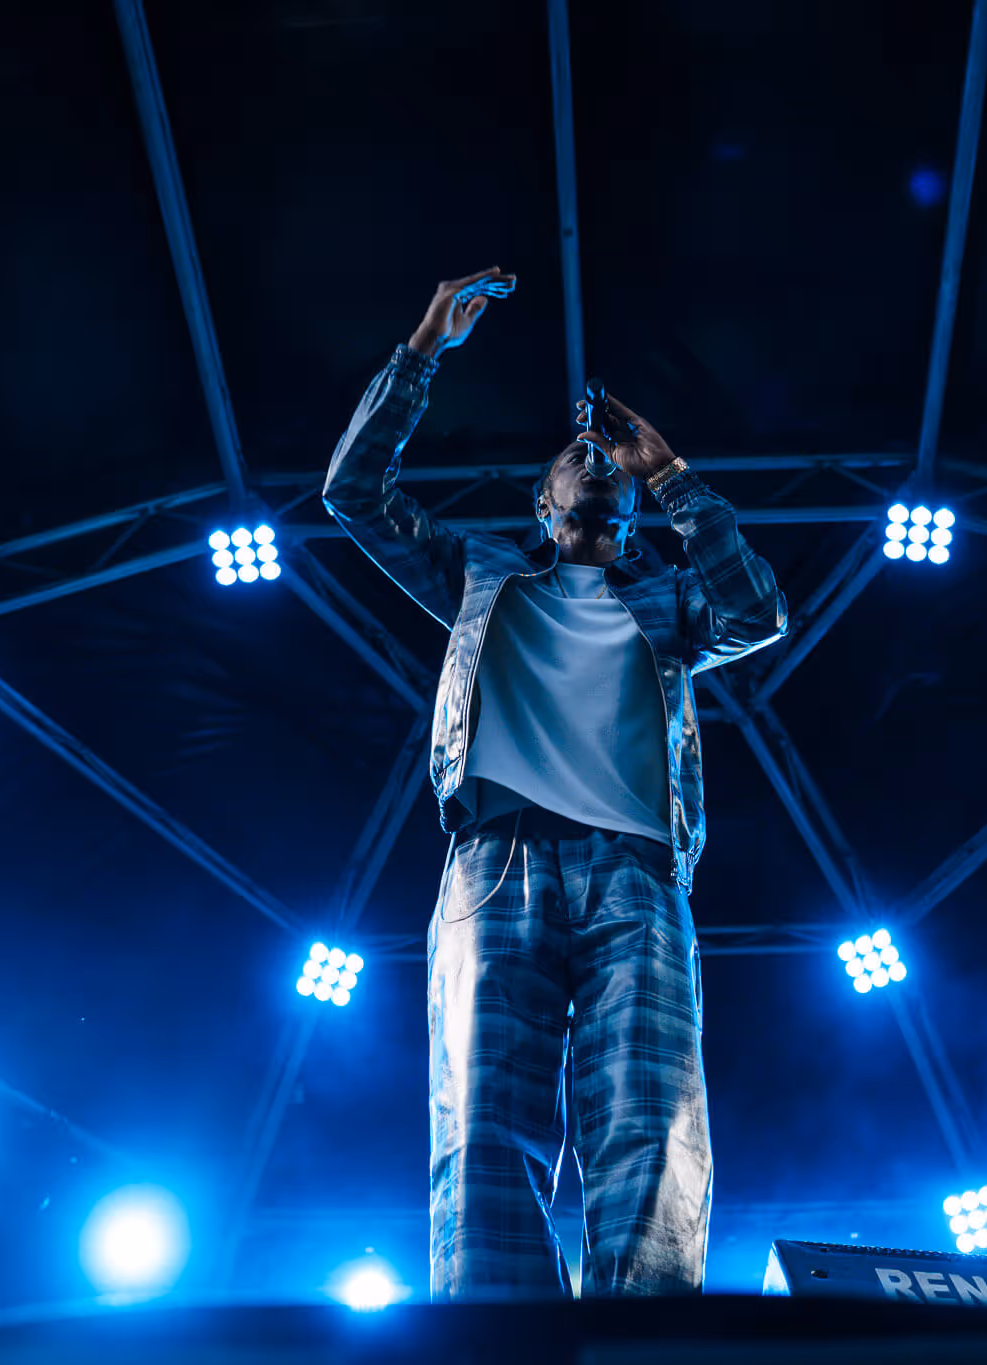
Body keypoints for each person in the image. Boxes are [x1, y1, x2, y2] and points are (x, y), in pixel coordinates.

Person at [323, 266, 787, 1299]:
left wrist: (666, 470)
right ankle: (501, 1342)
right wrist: (421, 351)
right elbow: (351, 495)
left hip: (636, 875)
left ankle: (639, 1342)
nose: (592, 460)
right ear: (541, 504)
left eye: (604, 458)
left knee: (652, 1133)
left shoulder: (668, 599)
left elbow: (757, 612)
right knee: (484, 1132)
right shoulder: (479, 576)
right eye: (572, 458)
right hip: (497, 866)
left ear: (626, 505)